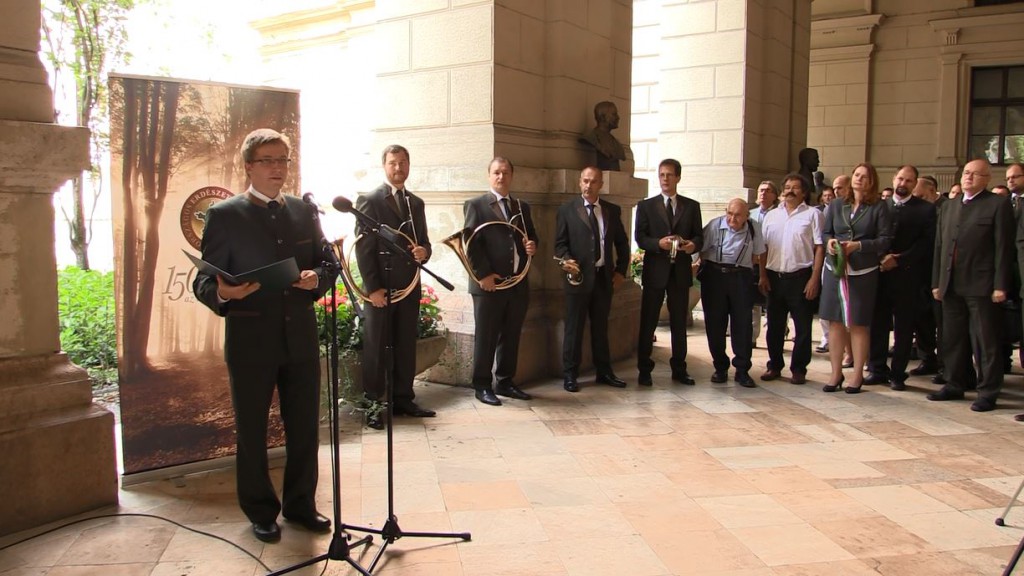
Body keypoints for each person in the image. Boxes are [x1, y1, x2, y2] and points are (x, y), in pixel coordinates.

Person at [192, 128, 335, 543]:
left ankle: (301, 505)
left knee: (306, 425)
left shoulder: (304, 212)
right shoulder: (224, 215)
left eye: (283, 161)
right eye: (269, 161)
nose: (277, 168)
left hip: (301, 339)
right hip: (251, 339)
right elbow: (202, 282)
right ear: (249, 166)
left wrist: (317, 279)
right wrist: (223, 291)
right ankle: (260, 510)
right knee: (252, 429)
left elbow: (327, 264)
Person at [354, 145, 435, 430]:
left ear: (409, 165)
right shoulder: (369, 200)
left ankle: (403, 399)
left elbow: (424, 241)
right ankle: (373, 406)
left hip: (409, 285)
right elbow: (364, 249)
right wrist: (373, 288)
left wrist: (424, 251)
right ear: (384, 166)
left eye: (403, 163)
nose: (398, 168)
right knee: (376, 347)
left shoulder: (416, 203)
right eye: (393, 163)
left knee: (404, 344)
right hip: (381, 289)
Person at [930, 159, 1014, 412]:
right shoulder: (949, 206)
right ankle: (955, 383)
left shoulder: (997, 204)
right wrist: (937, 282)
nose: (969, 178)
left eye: (975, 174)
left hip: (982, 285)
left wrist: (1000, 285)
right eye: (966, 173)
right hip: (951, 283)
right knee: (952, 338)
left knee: (985, 341)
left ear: (986, 178)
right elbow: (939, 247)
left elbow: (1003, 248)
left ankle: (988, 391)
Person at [464, 157, 539, 406]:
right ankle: (482, 385)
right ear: (489, 176)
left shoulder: (521, 206)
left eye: (505, 172)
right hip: (489, 284)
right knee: (486, 336)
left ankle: (505, 381)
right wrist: (483, 275)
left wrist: (531, 246)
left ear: (512, 176)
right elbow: (470, 245)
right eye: (496, 172)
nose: (501, 177)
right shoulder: (475, 205)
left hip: (516, 282)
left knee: (511, 334)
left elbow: (531, 236)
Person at [554, 166, 630, 392]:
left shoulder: (612, 211)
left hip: (603, 279)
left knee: (600, 327)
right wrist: (567, 261)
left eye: (594, 181)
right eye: (585, 181)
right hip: (577, 279)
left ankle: (604, 372)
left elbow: (622, 244)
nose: (589, 185)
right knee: (573, 329)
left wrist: (620, 272)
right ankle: (570, 375)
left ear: (601, 184)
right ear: (579, 182)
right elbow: (560, 244)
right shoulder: (567, 210)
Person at [819, 163, 892, 393]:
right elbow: (826, 232)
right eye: (857, 175)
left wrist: (858, 245)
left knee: (859, 324)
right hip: (836, 270)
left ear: (872, 182)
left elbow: (885, 239)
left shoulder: (879, 207)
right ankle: (835, 373)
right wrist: (831, 243)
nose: (859, 179)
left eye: (865, 176)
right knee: (835, 322)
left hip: (862, 273)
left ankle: (858, 374)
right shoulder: (837, 204)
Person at [635, 158, 703, 386]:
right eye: (662, 175)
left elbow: (698, 237)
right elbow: (640, 237)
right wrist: (658, 244)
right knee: (648, 321)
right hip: (655, 271)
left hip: (680, 272)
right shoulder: (646, 206)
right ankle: (644, 369)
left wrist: (691, 246)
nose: (665, 179)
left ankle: (680, 369)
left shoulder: (691, 206)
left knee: (678, 323)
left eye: (669, 175)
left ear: (678, 178)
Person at [865, 165, 934, 391]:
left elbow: (925, 243)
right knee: (878, 324)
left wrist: (900, 259)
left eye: (909, 181)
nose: (903, 184)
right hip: (879, 275)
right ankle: (876, 369)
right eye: (900, 179)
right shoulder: (879, 206)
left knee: (904, 328)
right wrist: (881, 258)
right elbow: (870, 236)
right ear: (894, 179)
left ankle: (897, 374)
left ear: (914, 184)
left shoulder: (925, 210)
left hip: (908, 276)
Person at [759, 173, 824, 385]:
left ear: (804, 192)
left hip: (801, 277)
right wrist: (762, 275)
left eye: (795, 187)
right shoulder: (771, 216)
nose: (790, 191)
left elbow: (819, 248)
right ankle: (774, 365)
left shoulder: (813, 215)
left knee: (803, 327)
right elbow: (763, 249)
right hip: (774, 278)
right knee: (775, 326)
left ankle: (799, 369)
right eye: (787, 187)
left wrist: (814, 278)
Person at [698, 199, 766, 388]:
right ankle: (720, 367)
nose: (732, 219)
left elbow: (758, 254)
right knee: (715, 323)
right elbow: (700, 250)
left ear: (746, 216)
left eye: (737, 215)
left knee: (742, 324)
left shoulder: (754, 228)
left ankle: (742, 370)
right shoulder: (714, 225)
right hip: (715, 276)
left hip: (741, 277)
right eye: (729, 213)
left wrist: (757, 275)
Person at [910, 175, 946, 382]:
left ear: (933, 191)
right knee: (921, 319)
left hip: (940, 273)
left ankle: (945, 364)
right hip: (920, 272)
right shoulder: (918, 211)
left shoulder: (946, 208)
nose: (918, 199)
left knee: (942, 322)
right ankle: (927, 358)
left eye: (921, 195)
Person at [749, 180, 778, 346]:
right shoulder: (750, 214)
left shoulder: (779, 214)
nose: (763, 193)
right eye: (761, 190)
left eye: (767, 191)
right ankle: (752, 336)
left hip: (773, 262)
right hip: (755, 262)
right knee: (754, 302)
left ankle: (777, 335)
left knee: (773, 302)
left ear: (774, 196)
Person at [578, 101, 627, 171]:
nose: (618, 118)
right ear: (602, 117)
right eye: (614, 114)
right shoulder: (591, 137)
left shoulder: (616, 143)